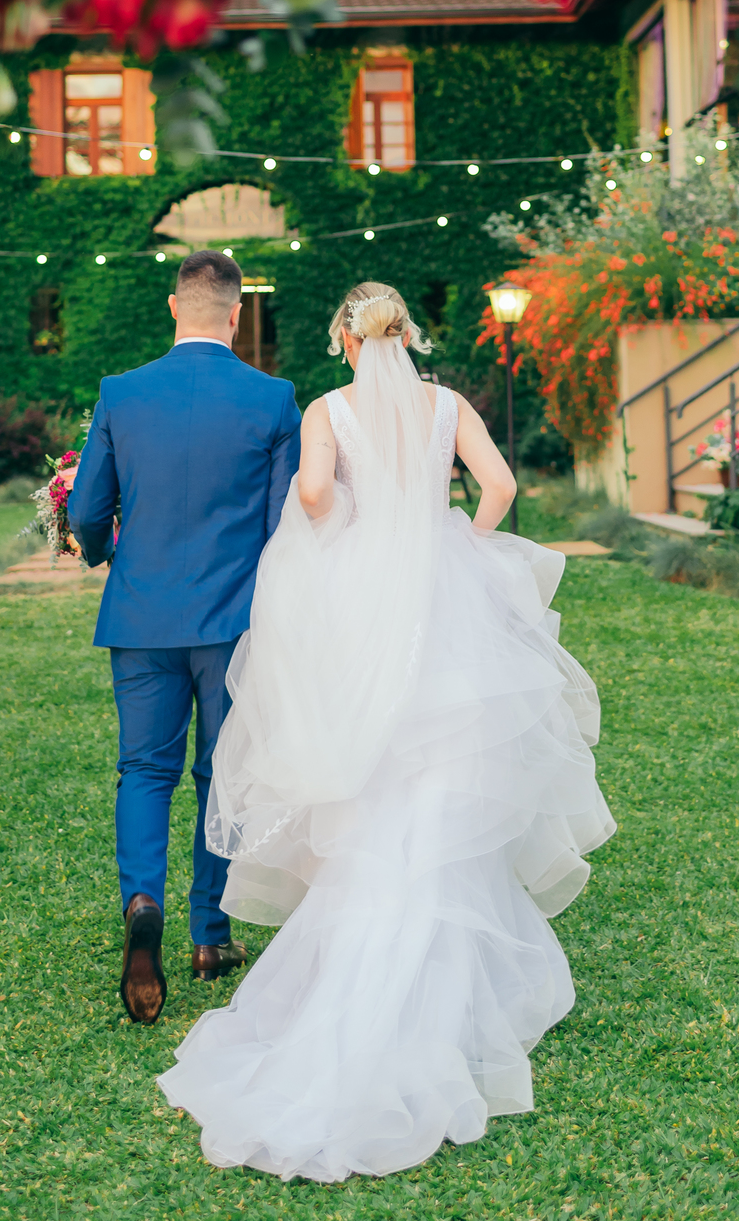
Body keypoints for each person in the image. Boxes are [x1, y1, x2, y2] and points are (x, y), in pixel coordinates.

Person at [158, 280, 616, 1183]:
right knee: (445, 773)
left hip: (362, 596)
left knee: (369, 770)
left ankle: (365, 948)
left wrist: (349, 533)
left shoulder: (329, 407)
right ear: (407, 332)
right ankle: (442, 969)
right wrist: (464, 541)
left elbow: (318, 493)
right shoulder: (448, 403)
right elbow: (500, 485)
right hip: (445, 594)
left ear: (344, 337)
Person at [67, 248, 302, 1027]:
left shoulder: (121, 393)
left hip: (140, 617)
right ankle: (211, 935)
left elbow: (88, 512)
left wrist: (105, 554)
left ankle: (143, 901)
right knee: (219, 774)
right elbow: (281, 530)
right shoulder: (273, 401)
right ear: (235, 314)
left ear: (175, 307)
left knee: (143, 769)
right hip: (233, 624)